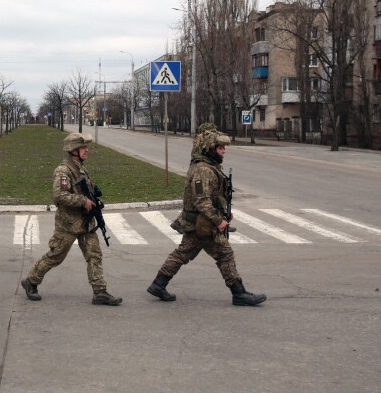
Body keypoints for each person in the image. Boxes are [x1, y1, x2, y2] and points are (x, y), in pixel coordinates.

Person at [147, 129, 266, 306]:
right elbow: (201, 200)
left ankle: (158, 284)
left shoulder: (209, 167)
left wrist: (224, 211)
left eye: (224, 148)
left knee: (182, 253)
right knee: (225, 254)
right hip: (202, 224)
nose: (224, 151)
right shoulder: (202, 170)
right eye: (220, 148)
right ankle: (239, 293)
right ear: (210, 149)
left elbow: (212, 197)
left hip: (199, 223)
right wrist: (219, 220)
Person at [21, 133, 122, 306]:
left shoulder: (80, 168)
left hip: (85, 222)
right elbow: (59, 196)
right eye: (83, 148)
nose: (86, 150)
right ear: (73, 150)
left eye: (85, 148)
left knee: (94, 255)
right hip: (68, 224)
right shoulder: (64, 170)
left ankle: (100, 292)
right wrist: (82, 201)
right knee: (55, 256)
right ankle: (31, 281)